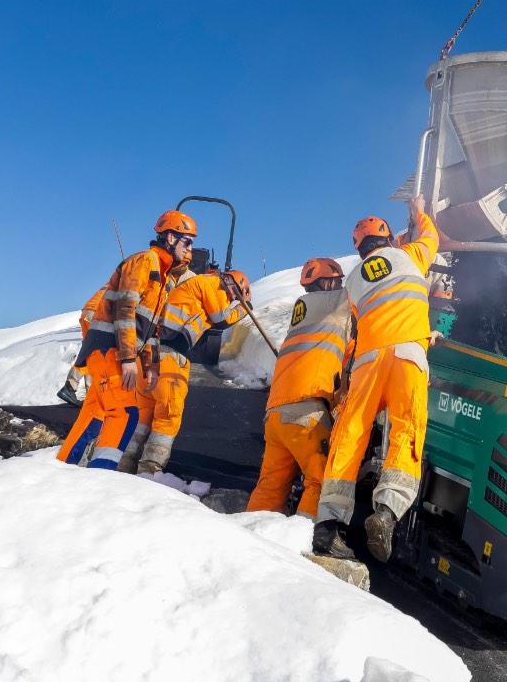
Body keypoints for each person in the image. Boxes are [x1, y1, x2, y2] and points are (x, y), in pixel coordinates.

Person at [313, 197, 439, 562]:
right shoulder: (411, 255)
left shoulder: (354, 280)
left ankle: (328, 526)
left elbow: (366, 319)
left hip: (368, 361)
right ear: (390, 239)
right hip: (408, 357)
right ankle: (387, 511)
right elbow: (432, 237)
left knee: (350, 435)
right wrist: (419, 211)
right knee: (406, 429)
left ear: (360, 249)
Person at [58, 211, 199, 470]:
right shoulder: (145, 261)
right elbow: (125, 310)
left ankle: (62, 467)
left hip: (109, 350)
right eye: (187, 241)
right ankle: (101, 473)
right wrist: (127, 358)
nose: (190, 249)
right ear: (170, 237)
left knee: (94, 413)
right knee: (123, 414)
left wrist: (151, 367)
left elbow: (150, 329)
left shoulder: (163, 276)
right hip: (108, 349)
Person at [245, 257, 352, 517]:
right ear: (326, 284)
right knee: (321, 483)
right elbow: (367, 288)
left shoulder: (304, 314)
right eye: (337, 281)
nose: (340, 286)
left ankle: (250, 532)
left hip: (276, 415)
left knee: (271, 484)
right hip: (306, 412)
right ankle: (305, 537)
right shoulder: (331, 303)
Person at [134, 267, 252, 476]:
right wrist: (244, 308)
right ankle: (149, 471)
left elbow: (215, 321)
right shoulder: (211, 284)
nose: (232, 298)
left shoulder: (204, 289)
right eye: (235, 294)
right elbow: (221, 319)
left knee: (144, 414)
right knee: (169, 413)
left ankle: (125, 462)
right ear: (230, 282)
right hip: (168, 353)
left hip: (151, 351)